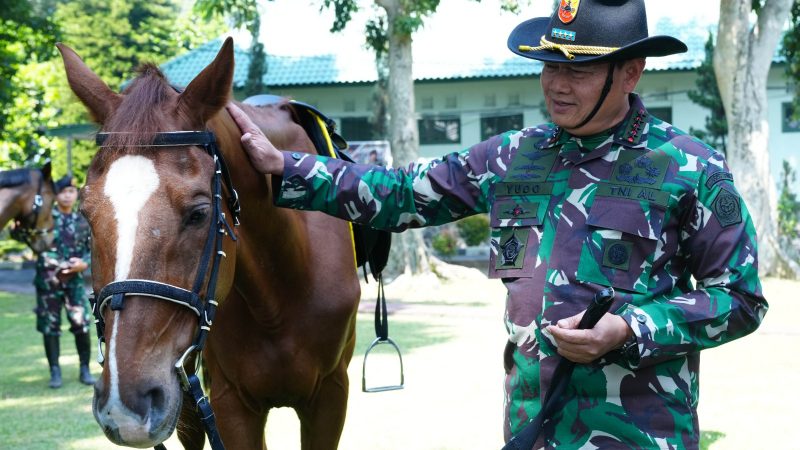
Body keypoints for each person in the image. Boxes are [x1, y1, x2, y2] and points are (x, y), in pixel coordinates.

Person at [226, 0, 767, 447]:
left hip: (641, 434)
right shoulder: (513, 157)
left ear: (630, 71)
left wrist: (630, 328)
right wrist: (286, 167)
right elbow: (397, 194)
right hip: (532, 431)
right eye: (550, 66)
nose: (556, 84)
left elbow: (740, 300)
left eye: (576, 70)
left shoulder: (689, 167)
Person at [34, 175, 95, 389]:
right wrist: (60, 263)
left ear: (76, 193)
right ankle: (55, 371)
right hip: (49, 281)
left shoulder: (83, 220)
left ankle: (85, 369)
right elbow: (38, 247)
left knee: (82, 324)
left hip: (75, 282)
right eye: (63, 191)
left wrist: (84, 264)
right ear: (57, 195)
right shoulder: (45, 219)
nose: (67, 195)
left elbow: (92, 249)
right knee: (50, 327)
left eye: (71, 191)